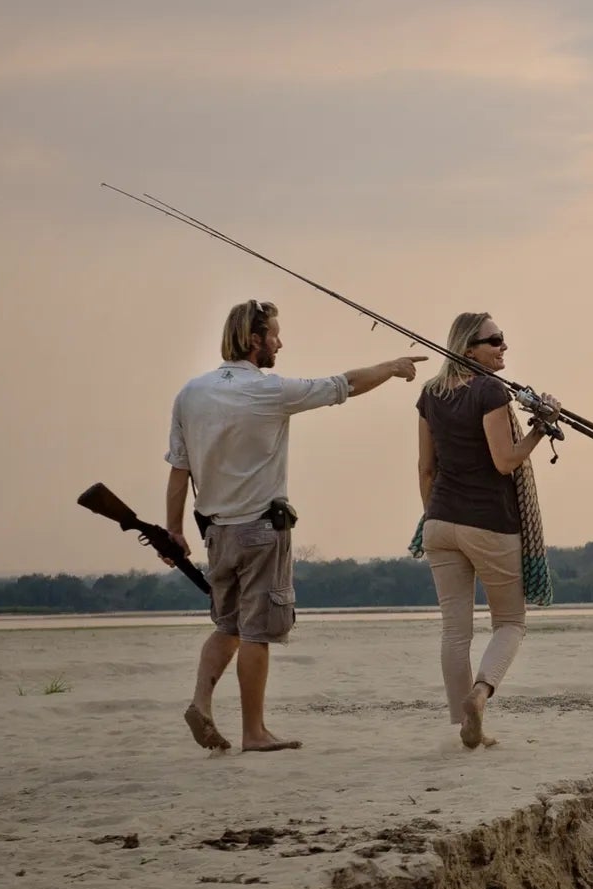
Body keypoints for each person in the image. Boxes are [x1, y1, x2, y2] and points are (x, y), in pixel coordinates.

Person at [163, 299, 424, 752]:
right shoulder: (269, 390)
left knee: (227, 626)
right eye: (275, 336)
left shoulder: (190, 393)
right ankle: (254, 732)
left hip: (215, 533)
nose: (280, 343)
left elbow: (178, 471)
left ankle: (201, 702)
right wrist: (392, 366)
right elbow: (345, 385)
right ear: (253, 340)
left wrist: (174, 531)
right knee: (257, 633)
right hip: (262, 532)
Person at [415, 312, 555, 748]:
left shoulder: (430, 392)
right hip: (489, 524)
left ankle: (464, 726)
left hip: (438, 523)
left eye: (502, 340)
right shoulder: (490, 391)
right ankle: (480, 694)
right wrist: (540, 429)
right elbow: (505, 461)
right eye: (494, 341)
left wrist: (435, 516)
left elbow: (425, 469)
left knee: (455, 632)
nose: (503, 347)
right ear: (468, 348)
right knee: (510, 622)